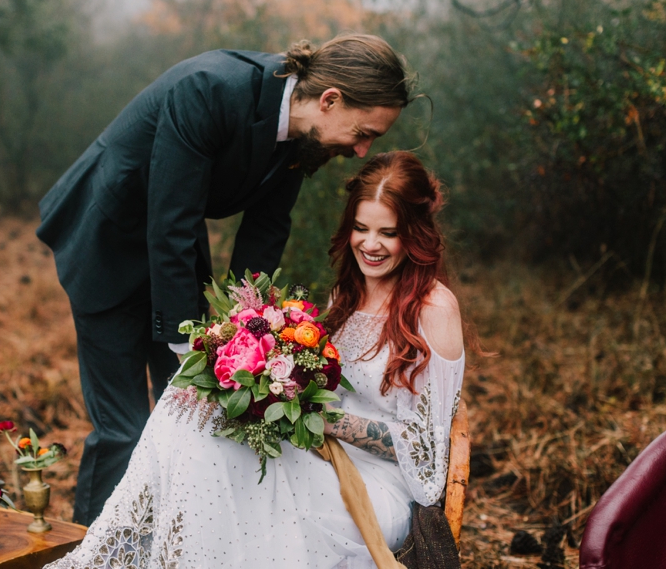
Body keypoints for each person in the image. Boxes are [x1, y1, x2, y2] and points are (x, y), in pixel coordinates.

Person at [36, 35, 414, 524]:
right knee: (124, 428)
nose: (362, 148)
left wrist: (244, 331)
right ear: (330, 99)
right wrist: (189, 344)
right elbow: (169, 221)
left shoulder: (303, 136)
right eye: (365, 132)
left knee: (189, 419)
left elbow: (267, 229)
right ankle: (93, 545)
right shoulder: (209, 90)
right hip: (105, 241)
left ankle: (165, 538)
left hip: (171, 254)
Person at [43, 150, 466, 568]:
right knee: (194, 412)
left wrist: (317, 417)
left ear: (414, 233)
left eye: (387, 233)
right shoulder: (349, 293)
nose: (370, 245)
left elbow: (427, 450)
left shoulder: (434, 309)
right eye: (360, 228)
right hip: (320, 452)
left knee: (229, 467)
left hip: (377, 490)